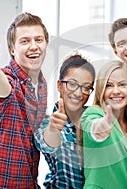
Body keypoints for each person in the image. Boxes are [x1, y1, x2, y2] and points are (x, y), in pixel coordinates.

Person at [0, 12, 49, 188]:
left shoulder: (41, 85)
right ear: (12, 50)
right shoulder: (7, 77)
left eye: (39, 40)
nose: (34, 46)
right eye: (25, 41)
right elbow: (3, 89)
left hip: (26, 182)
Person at [80, 60, 127, 189]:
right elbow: (91, 125)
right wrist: (100, 127)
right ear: (101, 89)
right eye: (109, 85)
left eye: (122, 84)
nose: (116, 91)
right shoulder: (94, 113)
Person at [34, 54, 96, 188]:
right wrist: (52, 130)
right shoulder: (47, 122)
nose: (79, 93)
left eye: (86, 87)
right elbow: (46, 143)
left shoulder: (95, 119)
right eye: (72, 84)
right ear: (59, 85)